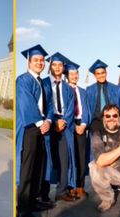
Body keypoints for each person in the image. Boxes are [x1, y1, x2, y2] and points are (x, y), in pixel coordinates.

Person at [16, 44, 55, 217]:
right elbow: (26, 104)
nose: (40, 63)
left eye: (42, 60)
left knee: (39, 166)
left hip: (42, 126)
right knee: (28, 169)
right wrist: (40, 122)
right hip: (30, 127)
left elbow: (49, 106)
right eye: (36, 60)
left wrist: (48, 121)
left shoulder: (42, 82)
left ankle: (33, 201)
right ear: (29, 62)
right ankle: (23, 209)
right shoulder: (23, 80)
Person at [41, 52, 76, 202]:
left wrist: (64, 121)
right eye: (54, 64)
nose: (57, 67)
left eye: (60, 65)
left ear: (64, 67)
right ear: (50, 66)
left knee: (64, 158)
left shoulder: (68, 88)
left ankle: (61, 191)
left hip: (64, 124)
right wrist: (52, 122)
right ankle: (43, 193)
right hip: (48, 122)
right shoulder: (43, 83)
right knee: (47, 159)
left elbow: (70, 107)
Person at [65, 60, 89, 199]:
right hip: (68, 126)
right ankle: (70, 188)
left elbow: (86, 109)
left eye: (76, 74)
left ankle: (80, 187)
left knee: (81, 158)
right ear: (67, 76)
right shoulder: (64, 90)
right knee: (69, 157)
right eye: (71, 74)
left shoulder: (82, 91)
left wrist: (84, 124)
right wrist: (73, 126)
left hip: (81, 125)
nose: (74, 76)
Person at [86, 59, 119, 134]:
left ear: (106, 73)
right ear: (95, 75)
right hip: (96, 122)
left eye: (102, 73)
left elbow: (118, 106)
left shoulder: (115, 88)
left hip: (111, 121)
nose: (101, 75)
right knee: (97, 144)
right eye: (98, 73)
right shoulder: (89, 90)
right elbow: (88, 108)